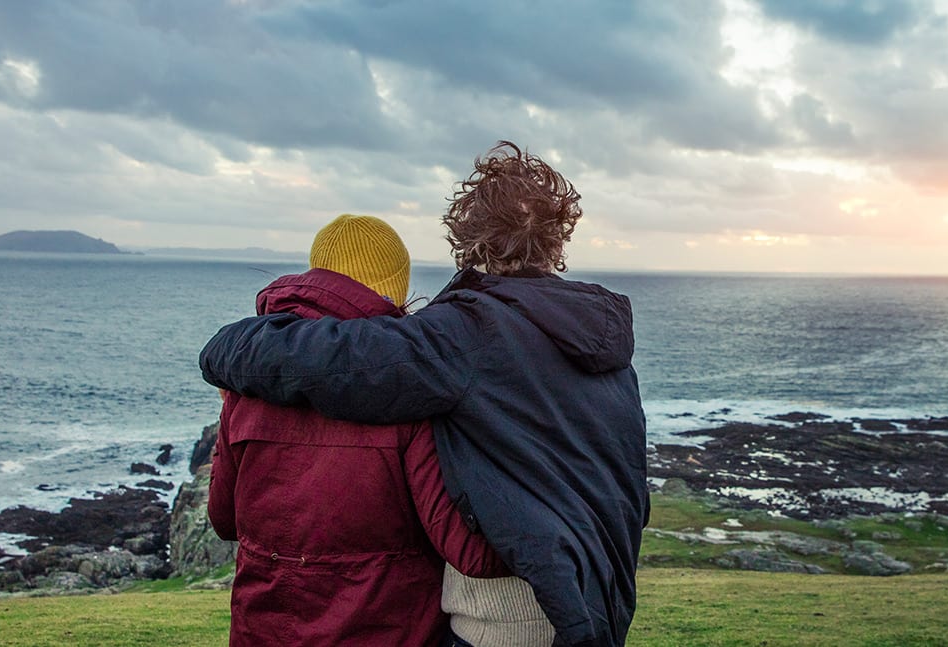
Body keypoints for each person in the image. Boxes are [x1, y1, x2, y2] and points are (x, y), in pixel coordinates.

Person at [202, 143, 649, 647]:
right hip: (596, 596)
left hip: (510, 614)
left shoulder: (463, 334)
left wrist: (227, 349)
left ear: (465, 237)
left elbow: (340, 359)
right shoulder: (603, 343)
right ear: (557, 238)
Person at [207, 214, 513, 646]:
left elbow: (223, 520)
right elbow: (464, 547)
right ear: (393, 290)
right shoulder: (407, 392)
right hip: (388, 631)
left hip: (266, 631)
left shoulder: (246, 383)